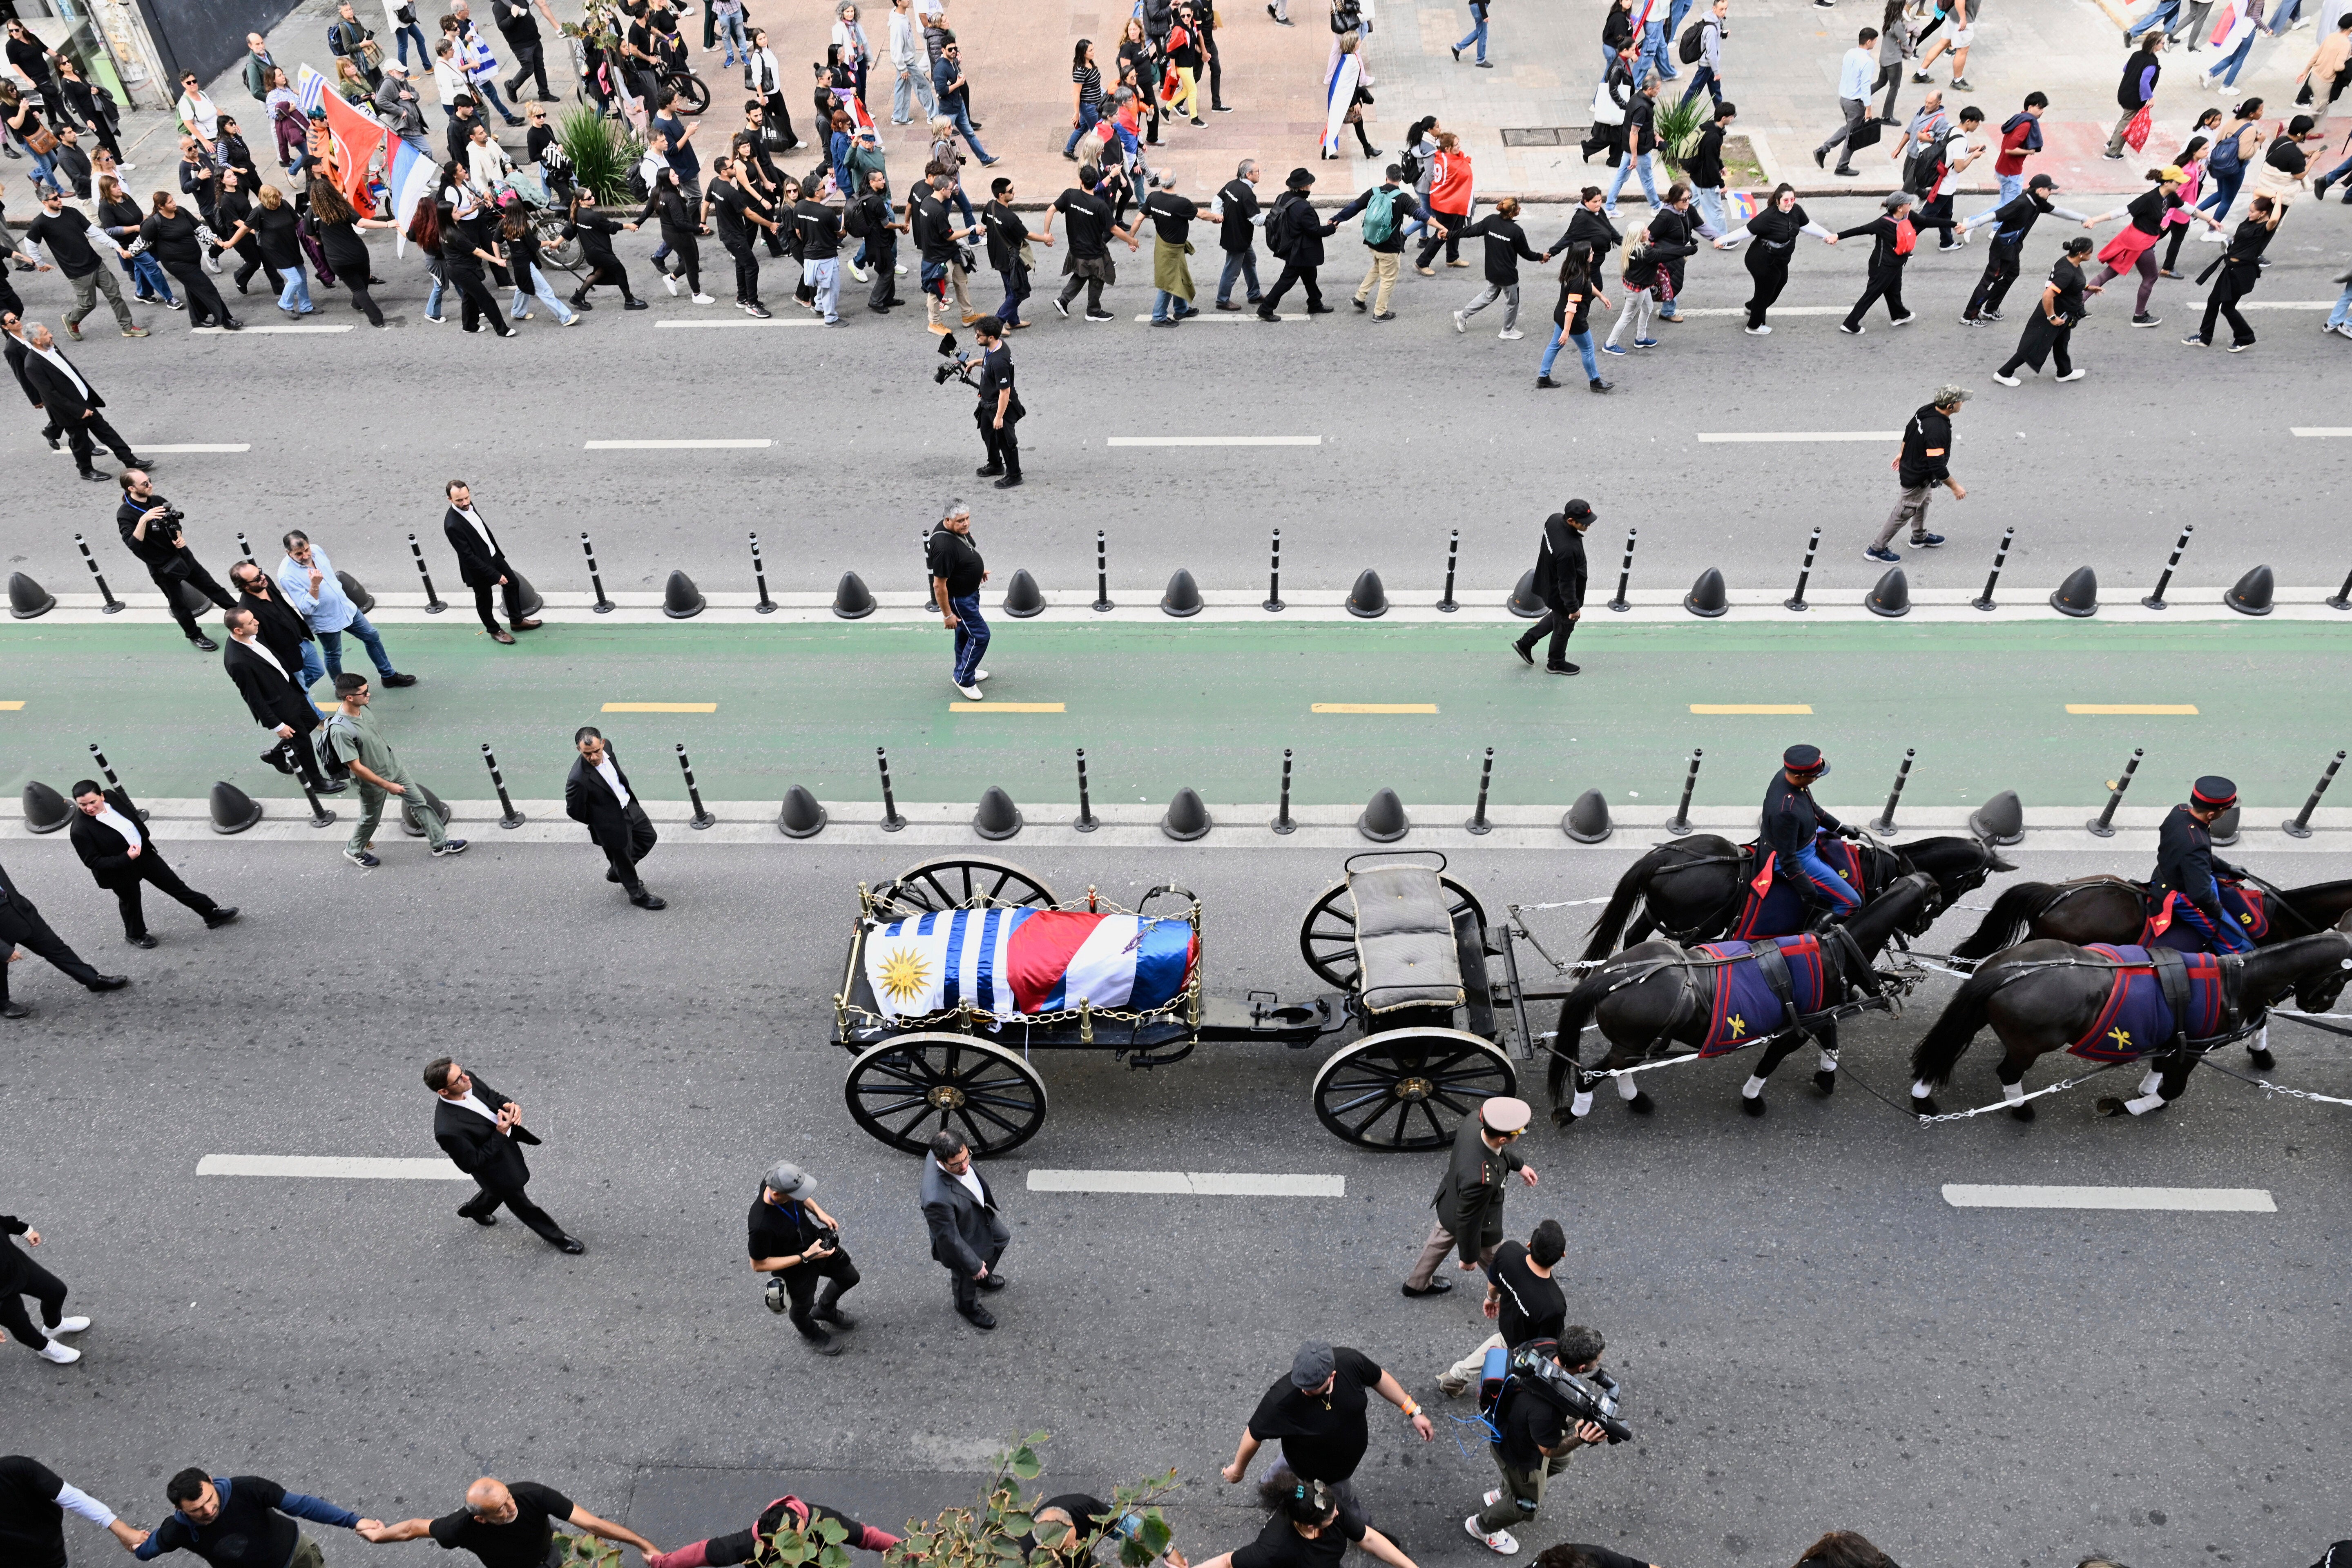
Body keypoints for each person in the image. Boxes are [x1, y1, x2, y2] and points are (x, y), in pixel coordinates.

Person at [1222, 1338, 1435, 1536]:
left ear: (1332, 1376)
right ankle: (1365, 1533)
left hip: (1337, 1467)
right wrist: (1237, 1470)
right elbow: (1253, 1434)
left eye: (1313, 1387)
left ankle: (1363, 1533)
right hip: (1312, 1467)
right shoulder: (1282, 1399)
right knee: (1333, 1498)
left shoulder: (1350, 1362)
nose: (1305, 1391)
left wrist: (1412, 1410)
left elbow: (1378, 1377)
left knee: (1303, 1479)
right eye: (1302, 1385)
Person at [1464, 1333, 1612, 1557]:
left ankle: (1506, 1490)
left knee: (1562, 1462)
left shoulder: (1546, 1345)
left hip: (1512, 1424)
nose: (1599, 1364)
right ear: (1582, 1368)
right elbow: (1548, 1450)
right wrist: (1581, 1437)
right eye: (1597, 1361)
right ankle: (1482, 1527)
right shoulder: (1546, 1409)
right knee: (1526, 1506)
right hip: (1518, 1453)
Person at [421, 1059, 585, 1252]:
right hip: (493, 1168)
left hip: (506, 1151)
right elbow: (471, 1163)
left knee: (497, 1191)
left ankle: (475, 1209)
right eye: (458, 1079)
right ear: (444, 1092)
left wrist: (509, 1105)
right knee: (520, 1203)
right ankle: (559, 1239)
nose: (466, 1077)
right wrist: (500, 1133)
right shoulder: (448, 1130)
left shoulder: (468, 1079)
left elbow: (492, 1096)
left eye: (462, 1071)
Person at [68, 780, 237, 948]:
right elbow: (93, 862)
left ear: (102, 796)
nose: (89, 808)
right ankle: (135, 934)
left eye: (92, 802)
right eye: (83, 805)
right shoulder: (80, 830)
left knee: (176, 886)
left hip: (144, 855)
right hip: (119, 869)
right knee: (131, 901)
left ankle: (210, 914)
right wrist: (127, 857)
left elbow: (130, 815)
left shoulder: (111, 797)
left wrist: (144, 834)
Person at [325, 675, 464, 867]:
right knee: (370, 819)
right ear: (350, 698)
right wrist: (387, 785)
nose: (369, 694)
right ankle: (354, 850)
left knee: (420, 803)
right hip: (372, 781)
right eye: (364, 692)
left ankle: (440, 844)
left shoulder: (362, 708)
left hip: (394, 767)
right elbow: (355, 767)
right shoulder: (340, 731)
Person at [1404, 1096, 1536, 1294]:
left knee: (1438, 1242)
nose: (1521, 1134)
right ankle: (1515, 1296)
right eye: (1519, 1132)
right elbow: (1469, 1220)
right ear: (1503, 1138)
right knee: (1496, 1259)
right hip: (1482, 1226)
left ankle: (1416, 1284)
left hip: (1451, 1203)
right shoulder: (1482, 1179)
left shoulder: (1474, 1121)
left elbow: (1495, 1152)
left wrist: (1519, 1165)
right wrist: (1468, 1257)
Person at [132, 1472, 380, 1568]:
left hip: (298, 1555)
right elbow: (144, 1551)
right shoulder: (177, 1530)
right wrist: (136, 1544)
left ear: (210, 1480)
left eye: (210, 1499)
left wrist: (354, 1521)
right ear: (179, 1508)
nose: (208, 1510)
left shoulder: (248, 1489)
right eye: (197, 1509)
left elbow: (302, 1505)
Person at [1436, 1218, 1568, 1396]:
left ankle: (1453, 1379)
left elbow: (1493, 1278)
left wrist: (1491, 1299)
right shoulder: (1554, 1304)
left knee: (1496, 1348)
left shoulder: (1509, 1251)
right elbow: (1550, 1346)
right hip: (1527, 1355)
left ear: (1530, 1244)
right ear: (1563, 1255)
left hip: (1507, 1332)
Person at [362, 1480, 653, 1559]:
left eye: (509, 1497)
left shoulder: (532, 1495)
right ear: (481, 1518)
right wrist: (379, 1535)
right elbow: (413, 1528)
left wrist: (643, 1543)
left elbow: (592, 1524)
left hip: (547, 1551)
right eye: (501, 1508)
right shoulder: (458, 1528)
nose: (512, 1506)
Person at [222, 607, 340, 794]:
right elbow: (253, 698)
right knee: (302, 741)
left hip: (291, 691)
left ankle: (277, 755)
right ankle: (316, 782)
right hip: (280, 705)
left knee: (310, 721)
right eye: (251, 622)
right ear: (238, 630)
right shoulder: (237, 662)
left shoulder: (253, 635)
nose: (257, 622)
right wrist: (277, 726)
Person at [1184, 1474, 1418, 1568]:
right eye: (1332, 1517)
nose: (1339, 1515)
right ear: (1309, 1526)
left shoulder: (1325, 1505)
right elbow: (1227, 1562)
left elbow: (1367, 1537)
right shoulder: (1271, 1550)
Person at [748, 1161, 859, 1356]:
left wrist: (819, 1213)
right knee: (802, 1307)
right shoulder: (761, 1225)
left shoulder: (776, 1181)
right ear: (777, 1195)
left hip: (817, 1244)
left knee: (850, 1277)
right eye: (796, 1194)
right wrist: (806, 1256)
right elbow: (758, 1264)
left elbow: (802, 1196)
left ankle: (825, 1309)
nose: (801, 1196)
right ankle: (810, 1332)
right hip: (795, 1269)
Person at [2086, 165, 2217, 326]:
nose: (2180, 185)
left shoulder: (2171, 196)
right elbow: (2122, 212)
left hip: (2136, 240)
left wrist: (2210, 220)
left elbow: (2189, 209)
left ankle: (2077, 304)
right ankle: (2139, 317)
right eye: (2178, 182)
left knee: (2110, 273)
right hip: (2139, 243)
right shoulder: (2149, 199)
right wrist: (2094, 220)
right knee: (2151, 277)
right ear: (2167, 183)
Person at [117, 471, 232, 649]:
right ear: (132, 488)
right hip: (163, 568)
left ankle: (241, 614)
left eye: (150, 481)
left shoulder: (157, 500)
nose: (150, 485)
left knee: (213, 588)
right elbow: (133, 544)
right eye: (145, 484)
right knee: (179, 603)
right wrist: (144, 521)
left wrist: (178, 535)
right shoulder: (126, 514)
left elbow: (174, 523)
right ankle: (195, 636)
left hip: (183, 556)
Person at [279, 531, 411, 687]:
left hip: (346, 608)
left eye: (307, 550)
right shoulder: (287, 576)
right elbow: (306, 608)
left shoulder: (317, 550)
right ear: (289, 553)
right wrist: (315, 585)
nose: (306, 555)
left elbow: (331, 580)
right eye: (299, 554)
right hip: (326, 621)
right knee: (334, 654)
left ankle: (388, 676)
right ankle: (340, 686)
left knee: (372, 636)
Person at [21, 324, 144, 482]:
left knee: (106, 431)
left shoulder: (52, 348)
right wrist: (79, 411)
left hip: (84, 399)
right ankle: (86, 470)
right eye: (46, 334)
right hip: (68, 410)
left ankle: (130, 461)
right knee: (80, 441)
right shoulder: (32, 365)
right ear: (37, 340)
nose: (51, 335)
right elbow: (50, 395)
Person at [1957, 173, 2085, 322]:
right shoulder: (2021, 203)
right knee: (1990, 282)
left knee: (2012, 275)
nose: (2051, 192)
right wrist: (1968, 226)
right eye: (2049, 189)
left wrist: (2083, 218)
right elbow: (1993, 216)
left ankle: (1990, 309)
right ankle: (1969, 316)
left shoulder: (2039, 203)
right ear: (2039, 190)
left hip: (2015, 245)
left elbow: (2059, 212)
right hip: (2003, 248)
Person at [2150, 776, 2255, 952]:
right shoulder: (2196, 844)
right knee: (2241, 944)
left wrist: (2227, 868)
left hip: (2168, 873)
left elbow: (2200, 859)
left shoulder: (2179, 812)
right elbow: (2200, 896)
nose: (2226, 813)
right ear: (2212, 814)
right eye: (2225, 810)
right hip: (2180, 896)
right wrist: (2219, 913)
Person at [1712, 183, 1834, 333]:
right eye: (1786, 200)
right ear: (1778, 201)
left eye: (1792, 199)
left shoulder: (1796, 211)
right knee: (1765, 291)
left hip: (1780, 259)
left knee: (1781, 282)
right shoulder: (1768, 217)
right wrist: (1723, 239)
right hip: (1762, 261)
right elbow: (1746, 232)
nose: (1790, 203)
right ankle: (1754, 326)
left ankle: (1753, 307)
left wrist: (1826, 235)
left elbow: (1807, 225)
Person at [25, 192, 144, 341]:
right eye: (55, 199)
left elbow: (94, 232)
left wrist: (117, 246)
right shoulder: (40, 223)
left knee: (115, 295)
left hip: (96, 263)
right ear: (44, 202)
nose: (59, 200)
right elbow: (30, 244)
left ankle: (128, 327)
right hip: (77, 272)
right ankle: (72, 320)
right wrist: (40, 263)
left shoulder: (71, 212)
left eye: (59, 196)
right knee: (88, 304)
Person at [566, 728, 664, 910]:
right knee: (623, 859)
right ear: (579, 750)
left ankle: (618, 871)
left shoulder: (608, 749)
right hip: (610, 824)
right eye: (587, 754)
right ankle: (637, 895)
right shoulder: (578, 780)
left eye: (597, 751)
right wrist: (600, 821)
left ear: (603, 743)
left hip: (629, 807)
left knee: (649, 838)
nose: (594, 757)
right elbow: (574, 811)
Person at [922, 1129, 1010, 1329]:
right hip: (960, 1236)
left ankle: (982, 1277)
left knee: (1002, 1238)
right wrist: (974, 1266)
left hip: (974, 1213)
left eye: (966, 1158)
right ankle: (966, 1305)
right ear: (940, 1161)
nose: (964, 1166)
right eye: (956, 1164)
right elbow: (950, 1239)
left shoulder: (946, 1152)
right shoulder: (937, 1200)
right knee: (966, 1274)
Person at [647, 1498, 898, 1568]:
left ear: (803, 1520)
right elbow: (703, 1553)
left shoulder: (826, 1521)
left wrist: (909, 1551)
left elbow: (867, 1537)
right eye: (783, 1545)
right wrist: (661, 1563)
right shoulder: (752, 1543)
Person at [1760, 745, 1861, 917]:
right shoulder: (1787, 812)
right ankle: (1821, 940)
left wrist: (1840, 827)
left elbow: (1812, 807)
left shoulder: (1787, 776)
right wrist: (1807, 890)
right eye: (1815, 776)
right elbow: (1788, 859)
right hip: (1801, 856)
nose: (1818, 778)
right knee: (1852, 902)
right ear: (1799, 777)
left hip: (1805, 834)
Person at [442, 480, 540, 645]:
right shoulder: (452, 525)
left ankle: (517, 621)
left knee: (513, 584)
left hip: (493, 556)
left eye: (467, 498)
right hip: (478, 569)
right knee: (485, 601)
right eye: (459, 500)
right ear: (450, 500)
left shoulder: (468, 505)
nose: (465, 503)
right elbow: (468, 557)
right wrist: (495, 575)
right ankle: (494, 630)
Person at [1333, 165, 1433, 322]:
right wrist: (1441, 227)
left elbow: (1354, 207)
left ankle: (1360, 297)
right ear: (1400, 179)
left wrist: (1338, 218)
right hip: (1390, 247)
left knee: (1377, 268)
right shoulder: (1403, 198)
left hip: (1373, 242)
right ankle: (1380, 313)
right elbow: (1421, 215)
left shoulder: (1374, 192)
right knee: (1388, 279)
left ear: (1386, 177)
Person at [1994, 234, 2097, 384]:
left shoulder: (2069, 262)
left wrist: (2087, 287)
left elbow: (2071, 284)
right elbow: (2048, 295)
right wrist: (2052, 317)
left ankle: (2064, 372)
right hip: (2055, 313)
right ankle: (2004, 373)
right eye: (2090, 252)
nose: (2092, 255)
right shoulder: (2066, 273)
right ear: (2081, 254)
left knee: (2062, 341)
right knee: (2034, 344)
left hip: (2065, 314)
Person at [0, 1455, 148, 1557]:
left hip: (49, 1553)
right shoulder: (13, 1468)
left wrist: (122, 1530)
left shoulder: (14, 1468)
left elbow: (70, 1497)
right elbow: (69, 1497)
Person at [2185, 192, 2281, 349]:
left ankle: (2245, 338)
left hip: (2243, 273)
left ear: (2263, 214)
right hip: (2230, 269)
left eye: (2252, 212)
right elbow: (2257, 193)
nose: (2248, 213)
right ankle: (2205, 337)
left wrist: (2280, 197)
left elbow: (2275, 218)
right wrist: (2271, 198)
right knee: (2213, 301)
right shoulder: (2250, 222)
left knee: (2227, 308)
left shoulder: (2265, 228)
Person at [0, 1218, 96, 1364]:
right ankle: (45, 1348)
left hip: (16, 1266)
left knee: (57, 1291)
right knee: (21, 1324)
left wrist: (25, 1231)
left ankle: (54, 1325)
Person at [1511, 501, 1591, 674]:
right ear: (1571, 521)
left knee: (1557, 617)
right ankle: (1556, 664)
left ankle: (1526, 643)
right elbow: (1567, 583)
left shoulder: (1554, 520)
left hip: (1547, 583)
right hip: (1562, 594)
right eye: (1584, 523)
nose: (1588, 525)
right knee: (1564, 627)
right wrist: (1573, 608)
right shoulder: (1568, 549)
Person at [141, 192, 239, 330]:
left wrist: (217, 241)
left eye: (173, 200)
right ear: (160, 206)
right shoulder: (153, 223)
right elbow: (141, 244)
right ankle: (225, 320)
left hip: (193, 259)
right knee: (207, 288)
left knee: (193, 288)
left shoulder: (181, 212)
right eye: (170, 202)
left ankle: (197, 319)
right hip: (177, 264)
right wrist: (126, 252)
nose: (174, 203)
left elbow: (199, 229)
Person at [927, 498, 993, 698]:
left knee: (965, 635)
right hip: (960, 600)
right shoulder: (944, 547)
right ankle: (964, 678)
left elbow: (965, 552)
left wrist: (977, 571)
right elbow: (939, 585)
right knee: (981, 636)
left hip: (970, 593)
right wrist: (948, 616)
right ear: (947, 520)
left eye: (967, 519)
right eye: (960, 521)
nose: (966, 524)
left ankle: (964, 669)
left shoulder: (957, 532)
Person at [229, 559, 320, 698]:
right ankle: (316, 716)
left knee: (318, 672)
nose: (263, 577)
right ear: (246, 586)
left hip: (302, 642)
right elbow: (262, 642)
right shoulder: (248, 611)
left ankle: (293, 693)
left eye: (260, 572)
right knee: (303, 692)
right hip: (288, 656)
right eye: (257, 578)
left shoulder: (266, 583)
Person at [1453, 196, 1541, 338]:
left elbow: (1470, 231)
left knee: (1488, 295)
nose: (1520, 208)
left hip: (1492, 271)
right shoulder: (1516, 231)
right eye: (1518, 207)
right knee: (1513, 302)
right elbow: (1527, 254)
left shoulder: (1491, 221)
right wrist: (1541, 257)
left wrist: (1450, 235)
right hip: (1508, 276)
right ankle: (1507, 331)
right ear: (1513, 212)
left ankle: (1462, 316)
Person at [1834, 192, 1920, 335]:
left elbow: (1927, 222)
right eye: (1908, 203)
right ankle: (1850, 323)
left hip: (1895, 264)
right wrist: (1838, 236)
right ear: (1900, 207)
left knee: (1894, 289)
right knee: (1872, 294)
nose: (1911, 205)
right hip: (1883, 266)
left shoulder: (1907, 216)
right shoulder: (1884, 223)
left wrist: (1955, 224)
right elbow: (1861, 230)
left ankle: (1899, 315)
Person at [1259, 167, 1337, 320]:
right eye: (1309, 184)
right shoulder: (1303, 208)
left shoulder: (1283, 197)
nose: (1310, 187)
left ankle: (1315, 303)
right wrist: (1331, 228)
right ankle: (1266, 308)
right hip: (1300, 251)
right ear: (1302, 187)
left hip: (1290, 245)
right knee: (1287, 280)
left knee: (1310, 275)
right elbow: (1315, 231)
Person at [1535, 245, 1610, 392]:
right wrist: (1567, 332)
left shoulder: (1573, 270)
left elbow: (1589, 285)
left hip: (1560, 315)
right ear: (1584, 257)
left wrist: (1601, 296)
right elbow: (1571, 307)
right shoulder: (1579, 278)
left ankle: (1543, 377)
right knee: (1588, 349)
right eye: (1591, 252)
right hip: (1574, 320)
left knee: (1554, 346)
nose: (1593, 253)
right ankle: (1595, 381)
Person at [1815, 29, 1880, 176]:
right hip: (1855, 104)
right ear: (1869, 42)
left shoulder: (1850, 53)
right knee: (1853, 136)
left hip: (1844, 99)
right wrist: (1869, 108)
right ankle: (1842, 166)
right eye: (1875, 41)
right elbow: (1865, 86)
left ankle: (1824, 149)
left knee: (1849, 128)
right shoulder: (1868, 62)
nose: (1876, 43)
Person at [1213, 160, 1264, 309]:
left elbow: (1217, 199)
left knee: (1250, 261)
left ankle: (1254, 294)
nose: (1260, 174)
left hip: (1235, 234)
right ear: (1249, 175)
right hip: (1239, 238)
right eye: (1258, 171)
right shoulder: (1247, 194)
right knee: (1232, 270)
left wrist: (1217, 214)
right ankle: (1222, 301)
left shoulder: (1232, 185)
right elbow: (1256, 219)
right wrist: (1274, 219)